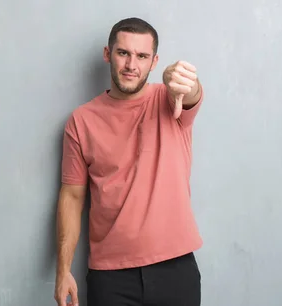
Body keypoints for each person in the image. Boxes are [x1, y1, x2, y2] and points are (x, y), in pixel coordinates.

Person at [54, 17, 204, 306]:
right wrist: (63, 271)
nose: (131, 65)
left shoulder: (170, 100)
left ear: (154, 61)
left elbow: (191, 95)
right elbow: (71, 197)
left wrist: (185, 81)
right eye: (123, 53)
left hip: (176, 269)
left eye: (142, 56)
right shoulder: (81, 121)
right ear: (108, 54)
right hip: (110, 277)